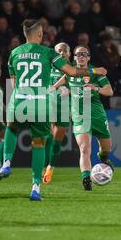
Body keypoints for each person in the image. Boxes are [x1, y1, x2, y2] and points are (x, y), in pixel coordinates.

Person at [0, 19, 107, 200]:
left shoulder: (14, 53)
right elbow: (72, 71)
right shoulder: (48, 53)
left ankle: (6, 163)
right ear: (39, 35)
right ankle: (36, 187)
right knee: (38, 144)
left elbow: (13, 82)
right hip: (41, 103)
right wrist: (95, 71)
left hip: (20, 99)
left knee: (12, 128)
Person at [53, 45, 114, 191]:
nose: (81, 56)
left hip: (97, 115)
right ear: (74, 57)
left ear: (88, 57)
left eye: (84, 54)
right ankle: (86, 178)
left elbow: (110, 91)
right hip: (80, 117)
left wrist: (96, 88)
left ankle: (103, 157)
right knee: (84, 148)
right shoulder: (70, 72)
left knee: (106, 148)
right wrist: (58, 90)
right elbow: (54, 87)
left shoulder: (96, 73)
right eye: (78, 54)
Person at [41, 42, 72, 184]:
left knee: (57, 139)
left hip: (64, 106)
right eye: (59, 51)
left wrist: (70, 90)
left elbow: (82, 87)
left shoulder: (74, 69)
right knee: (47, 136)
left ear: (69, 54)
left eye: (65, 51)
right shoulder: (49, 66)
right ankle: (42, 167)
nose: (62, 53)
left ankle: (50, 167)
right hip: (49, 104)